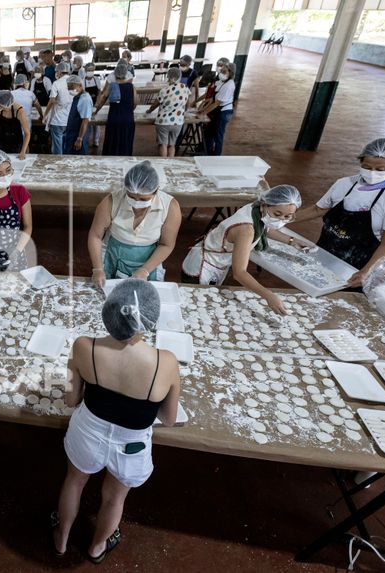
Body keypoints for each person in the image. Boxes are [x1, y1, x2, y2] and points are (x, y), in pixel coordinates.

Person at [52, 279, 181, 563]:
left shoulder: (84, 346)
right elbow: (169, 419)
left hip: (88, 433)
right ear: (150, 319)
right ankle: (97, 548)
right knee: (114, 498)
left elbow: (71, 401)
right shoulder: (166, 362)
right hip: (131, 444)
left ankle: (61, 538)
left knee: (74, 481)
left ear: (108, 314)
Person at [293, 139, 385, 286]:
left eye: (380, 170)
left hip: (356, 267)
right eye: (366, 167)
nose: (372, 173)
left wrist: (366, 271)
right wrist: (282, 220)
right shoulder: (345, 184)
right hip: (324, 254)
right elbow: (318, 209)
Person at [182, 185, 309, 314]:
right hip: (203, 267)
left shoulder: (256, 210)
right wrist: (269, 295)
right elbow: (240, 273)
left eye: (288, 216)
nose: (281, 220)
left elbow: (267, 229)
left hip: (218, 260)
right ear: (264, 205)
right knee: (197, 307)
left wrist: (292, 241)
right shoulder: (246, 230)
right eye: (277, 214)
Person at [88, 162, 181, 287]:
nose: (136, 202)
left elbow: (166, 244)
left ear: (156, 190)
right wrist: (98, 269)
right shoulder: (111, 202)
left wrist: (145, 270)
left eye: (143, 199)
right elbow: (95, 235)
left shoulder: (170, 207)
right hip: (113, 255)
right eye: (131, 196)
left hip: (149, 259)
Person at [148, 67, 192, 158]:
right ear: (179, 76)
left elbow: (155, 104)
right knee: (172, 145)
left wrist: (149, 111)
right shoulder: (185, 88)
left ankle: (163, 162)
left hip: (163, 122)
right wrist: (184, 111)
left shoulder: (164, 90)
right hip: (178, 122)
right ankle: (170, 163)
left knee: (163, 144)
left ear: (168, 76)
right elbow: (188, 103)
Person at [198, 61, 236, 156]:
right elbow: (212, 98)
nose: (221, 73)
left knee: (218, 136)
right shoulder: (221, 82)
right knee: (209, 133)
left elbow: (216, 103)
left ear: (230, 74)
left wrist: (203, 113)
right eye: (221, 71)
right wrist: (202, 105)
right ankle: (208, 153)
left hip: (223, 112)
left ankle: (215, 157)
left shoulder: (228, 85)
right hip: (217, 110)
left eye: (224, 72)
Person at [99, 62, 136, 156]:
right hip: (128, 118)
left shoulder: (112, 86)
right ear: (126, 74)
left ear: (115, 74)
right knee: (125, 141)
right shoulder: (131, 87)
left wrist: (96, 110)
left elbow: (103, 98)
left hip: (114, 118)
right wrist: (129, 109)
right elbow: (136, 102)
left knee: (112, 141)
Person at [0, 90, 31, 160]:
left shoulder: (19, 111)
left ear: (6, 104)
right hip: (1, 141)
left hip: (16, 142)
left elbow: (27, 133)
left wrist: (23, 151)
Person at [44, 63, 74, 155]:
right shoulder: (73, 82)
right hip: (70, 119)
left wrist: (45, 114)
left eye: (57, 71)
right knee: (67, 144)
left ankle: (58, 163)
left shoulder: (57, 83)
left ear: (60, 72)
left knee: (57, 146)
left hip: (58, 119)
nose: (56, 73)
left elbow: (51, 101)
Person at [63, 75, 93, 156]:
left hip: (78, 135)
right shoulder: (77, 96)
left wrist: (79, 139)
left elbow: (85, 121)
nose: (70, 89)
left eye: (72, 86)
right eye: (68, 87)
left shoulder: (85, 99)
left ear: (80, 85)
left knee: (78, 159)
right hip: (72, 133)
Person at [83, 63, 104, 147]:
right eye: (89, 70)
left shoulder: (96, 79)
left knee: (96, 123)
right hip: (87, 104)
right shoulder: (82, 80)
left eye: (92, 70)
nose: (91, 72)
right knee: (87, 122)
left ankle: (96, 140)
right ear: (85, 71)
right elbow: (83, 94)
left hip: (95, 103)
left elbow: (99, 92)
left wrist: (97, 103)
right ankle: (86, 139)